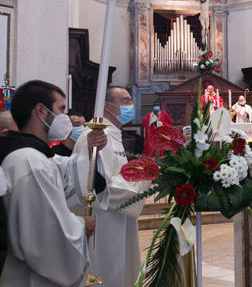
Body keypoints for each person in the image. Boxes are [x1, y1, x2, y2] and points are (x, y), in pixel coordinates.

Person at [0, 80, 106, 286]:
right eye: (61, 109)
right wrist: (80, 225)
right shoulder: (29, 162)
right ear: (41, 110)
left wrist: (90, 150)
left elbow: (68, 170)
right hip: (28, 278)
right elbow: (40, 233)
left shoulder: (36, 157)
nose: (64, 117)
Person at [72, 86, 150, 286]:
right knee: (107, 272)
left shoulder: (113, 134)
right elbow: (102, 186)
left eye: (130, 100)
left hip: (117, 218)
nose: (131, 105)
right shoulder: (96, 136)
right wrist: (142, 178)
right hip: (104, 221)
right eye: (125, 101)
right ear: (107, 106)